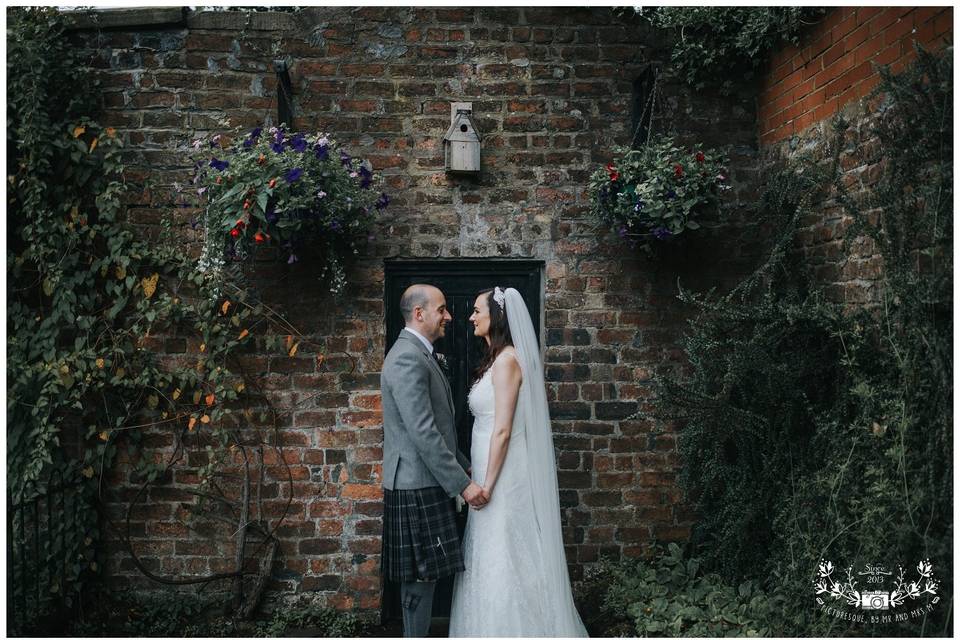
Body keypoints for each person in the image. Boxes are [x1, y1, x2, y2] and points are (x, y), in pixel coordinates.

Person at [449, 286, 588, 637]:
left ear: (495, 317)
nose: (471, 316)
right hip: (487, 472)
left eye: (477, 310)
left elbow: (503, 430)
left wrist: (488, 485)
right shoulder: (497, 360)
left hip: (503, 479)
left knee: (507, 556)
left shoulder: (508, 360)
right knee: (493, 556)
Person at [380, 284, 489, 638]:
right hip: (416, 481)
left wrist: (462, 463)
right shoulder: (407, 357)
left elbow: (437, 428)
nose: (448, 317)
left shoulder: (421, 354)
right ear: (419, 314)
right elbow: (423, 431)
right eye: (442, 309)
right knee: (419, 576)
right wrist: (463, 484)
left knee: (425, 572)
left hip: (425, 478)